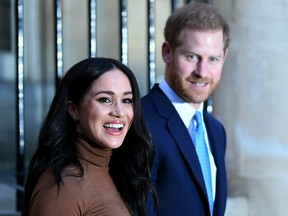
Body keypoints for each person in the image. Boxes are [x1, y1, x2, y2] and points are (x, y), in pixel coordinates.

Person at [23, 57, 157, 216]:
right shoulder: (65, 186)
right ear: (73, 110)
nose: (119, 112)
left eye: (127, 100)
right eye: (105, 99)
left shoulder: (114, 170)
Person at [142, 2, 230, 216]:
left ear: (224, 57)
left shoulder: (216, 131)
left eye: (213, 59)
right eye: (192, 57)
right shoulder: (141, 121)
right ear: (167, 52)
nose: (202, 71)